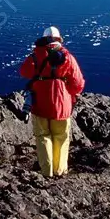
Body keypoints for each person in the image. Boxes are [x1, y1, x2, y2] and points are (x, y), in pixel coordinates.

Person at [19, 26, 86, 178]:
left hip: (40, 103)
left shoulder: (36, 55)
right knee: (61, 137)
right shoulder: (67, 57)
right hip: (62, 105)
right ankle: (60, 170)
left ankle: (46, 172)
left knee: (43, 137)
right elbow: (78, 84)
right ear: (58, 39)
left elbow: (24, 72)